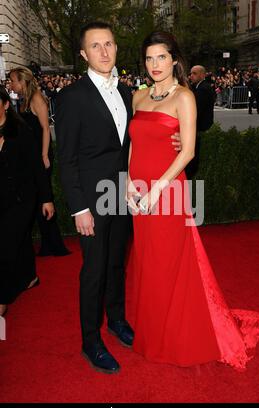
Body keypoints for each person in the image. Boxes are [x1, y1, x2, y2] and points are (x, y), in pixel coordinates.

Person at [126, 31, 259, 370]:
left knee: (171, 261)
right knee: (147, 259)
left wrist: (158, 187)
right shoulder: (139, 97)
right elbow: (133, 143)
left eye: (162, 57)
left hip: (168, 187)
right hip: (138, 191)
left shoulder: (184, 97)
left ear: (174, 58)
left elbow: (187, 150)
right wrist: (128, 182)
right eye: (149, 58)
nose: (155, 64)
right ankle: (152, 327)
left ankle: (175, 332)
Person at [55, 21, 181, 374]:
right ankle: (90, 340)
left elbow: (147, 135)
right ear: (83, 54)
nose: (104, 51)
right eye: (95, 46)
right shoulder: (70, 97)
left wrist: (180, 142)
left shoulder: (129, 92)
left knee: (116, 265)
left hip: (125, 194)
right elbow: (67, 159)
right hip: (92, 201)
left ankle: (117, 321)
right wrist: (79, 207)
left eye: (109, 44)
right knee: (93, 270)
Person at [0, 85, 54, 317]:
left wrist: (46, 199)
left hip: (22, 199)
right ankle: (30, 276)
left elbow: (36, 167)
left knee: (4, 247)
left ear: (4, 105)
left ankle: (2, 301)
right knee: (17, 241)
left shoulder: (21, 131)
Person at [9, 67, 70, 256]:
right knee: (37, 199)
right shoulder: (23, 100)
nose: (11, 84)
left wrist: (44, 155)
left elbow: (45, 129)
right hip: (31, 156)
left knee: (44, 197)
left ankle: (53, 244)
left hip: (39, 155)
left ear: (23, 81)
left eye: (13, 80)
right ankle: (48, 242)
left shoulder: (36, 98)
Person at [186, 65, 215, 178]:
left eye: (194, 73)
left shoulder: (203, 89)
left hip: (201, 128)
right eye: (191, 73)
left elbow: (196, 110)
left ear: (202, 75)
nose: (191, 76)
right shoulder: (198, 87)